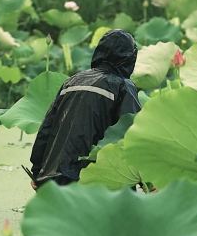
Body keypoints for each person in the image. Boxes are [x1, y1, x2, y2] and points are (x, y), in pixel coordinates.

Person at [29, 29, 141, 189]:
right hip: (96, 182)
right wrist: (148, 179)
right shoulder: (123, 87)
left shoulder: (72, 81)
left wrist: (37, 172)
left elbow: (46, 129)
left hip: (53, 180)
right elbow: (134, 137)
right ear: (130, 58)